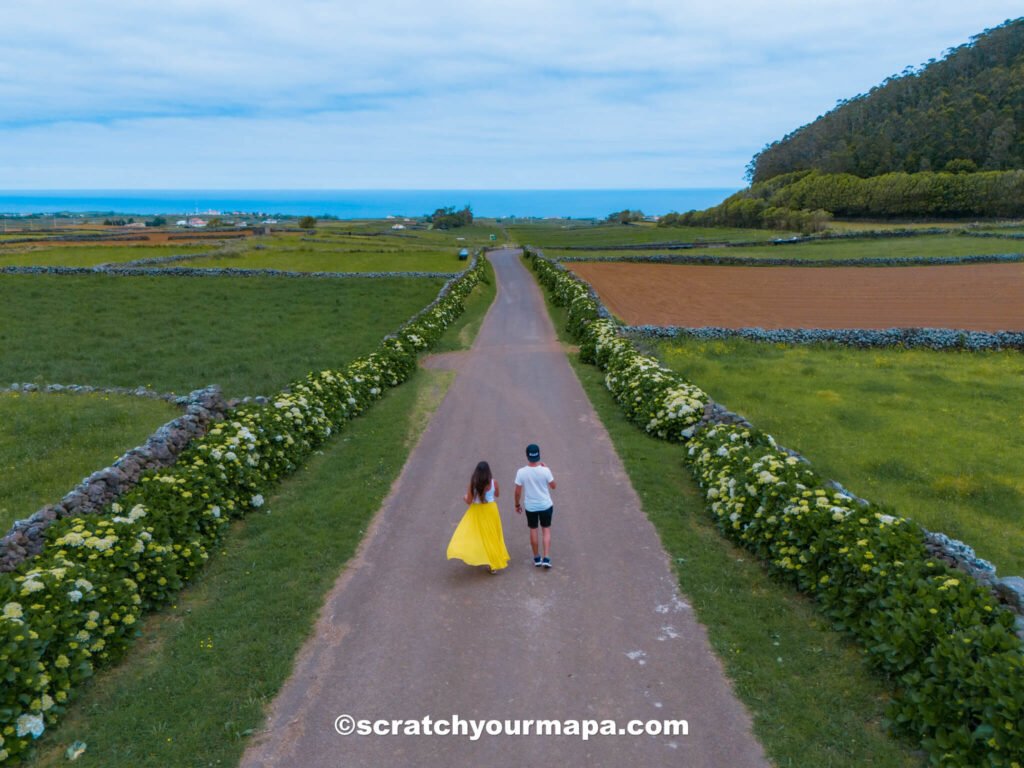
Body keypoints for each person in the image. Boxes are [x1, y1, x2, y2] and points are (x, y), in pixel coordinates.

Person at [447, 461, 510, 574]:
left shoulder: (473, 484)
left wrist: (464, 497)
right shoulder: (493, 482)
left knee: (475, 534)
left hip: (477, 512)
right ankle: (492, 563)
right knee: (492, 536)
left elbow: (469, 501)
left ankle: (479, 555)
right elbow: (497, 494)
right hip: (491, 510)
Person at [514, 443, 557, 568]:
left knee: (533, 529)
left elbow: (517, 491)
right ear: (539, 455)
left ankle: (537, 558)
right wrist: (547, 469)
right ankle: (547, 557)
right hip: (546, 505)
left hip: (531, 506)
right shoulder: (545, 470)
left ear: (527, 455)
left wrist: (517, 504)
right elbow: (553, 486)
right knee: (546, 530)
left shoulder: (521, 472)